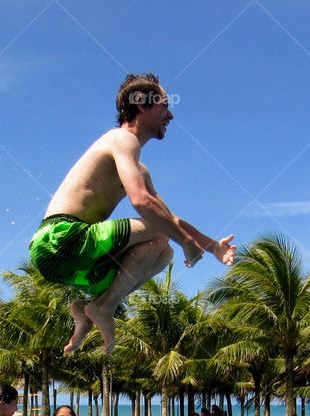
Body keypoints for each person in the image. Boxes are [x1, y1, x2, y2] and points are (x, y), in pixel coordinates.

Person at [29, 73, 236, 356]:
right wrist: (186, 242)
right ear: (141, 104)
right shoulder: (121, 140)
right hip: (61, 238)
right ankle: (103, 306)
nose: (171, 115)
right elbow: (141, 202)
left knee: (163, 253)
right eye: (164, 105)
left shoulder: (139, 166)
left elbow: (168, 217)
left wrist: (212, 247)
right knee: (164, 234)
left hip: (68, 260)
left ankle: (87, 307)